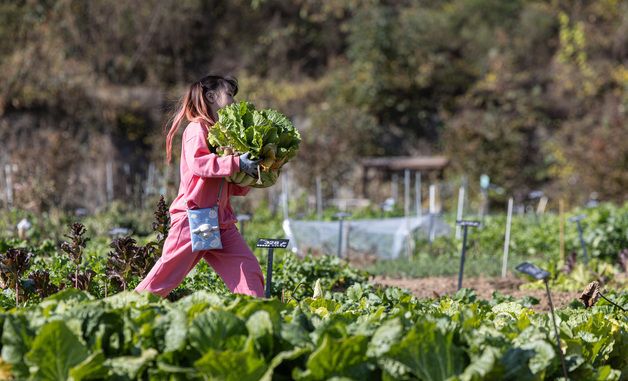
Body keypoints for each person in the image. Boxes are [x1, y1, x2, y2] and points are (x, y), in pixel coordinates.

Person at [134, 74, 265, 298]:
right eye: (230, 95)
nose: (234, 102)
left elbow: (226, 183)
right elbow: (199, 164)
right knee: (165, 276)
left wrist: (248, 175)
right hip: (193, 218)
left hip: (221, 221)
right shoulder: (197, 129)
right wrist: (236, 162)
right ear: (212, 96)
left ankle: (257, 313)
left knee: (247, 269)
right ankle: (127, 309)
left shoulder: (222, 136)